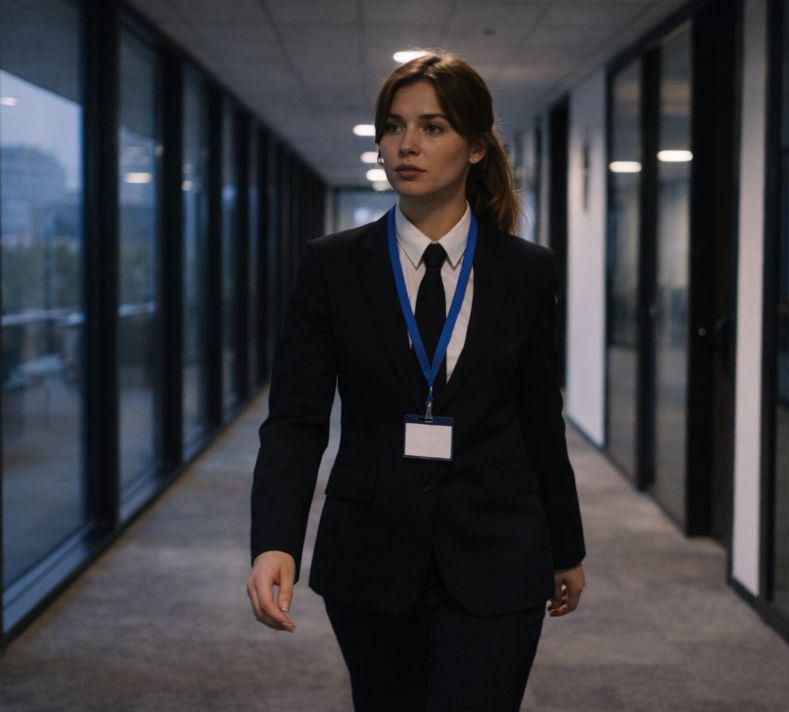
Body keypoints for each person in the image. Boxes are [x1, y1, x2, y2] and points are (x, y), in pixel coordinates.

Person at [246, 52, 586, 712]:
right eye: (393, 126)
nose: (406, 145)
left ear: (478, 146)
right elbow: (295, 418)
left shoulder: (527, 271)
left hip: (499, 550)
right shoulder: (333, 266)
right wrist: (275, 541)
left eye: (432, 127)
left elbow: (542, 417)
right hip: (371, 552)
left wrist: (566, 544)